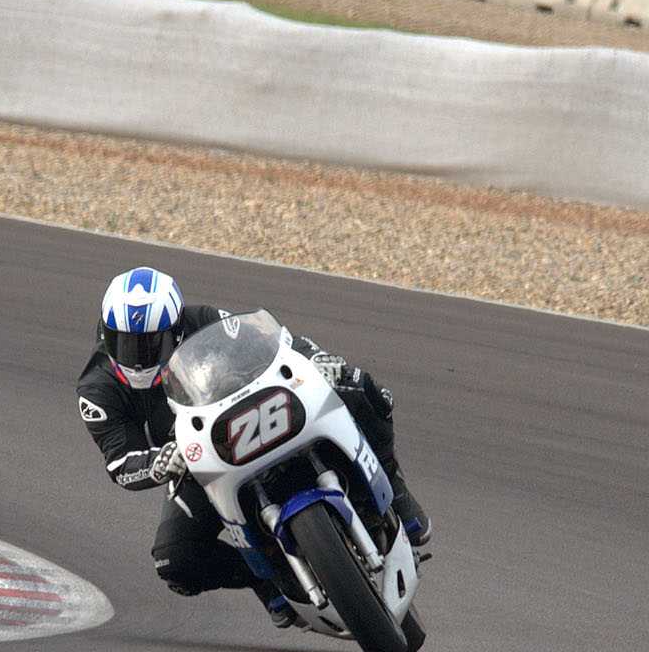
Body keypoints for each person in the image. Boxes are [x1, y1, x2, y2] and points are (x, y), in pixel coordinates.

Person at [76, 267, 430, 629]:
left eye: (151, 344)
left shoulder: (207, 321)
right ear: (105, 332)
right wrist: (159, 462)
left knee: (362, 389)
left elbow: (277, 342)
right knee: (174, 560)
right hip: (198, 460)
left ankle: (396, 490)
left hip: (258, 412)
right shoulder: (96, 390)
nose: (138, 358)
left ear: (176, 330)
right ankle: (266, 581)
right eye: (124, 343)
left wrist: (316, 358)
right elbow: (119, 460)